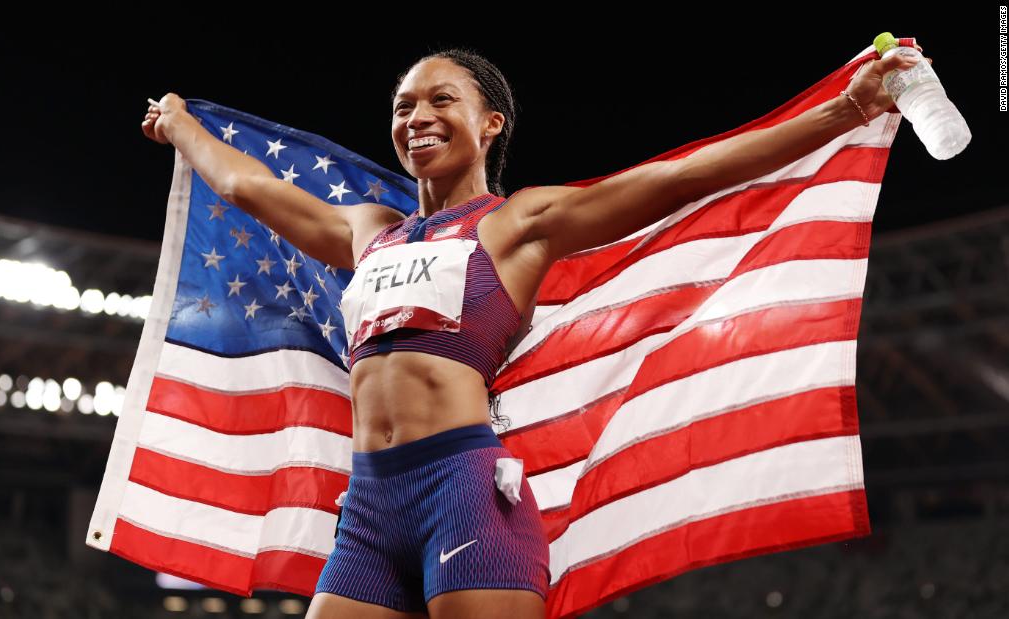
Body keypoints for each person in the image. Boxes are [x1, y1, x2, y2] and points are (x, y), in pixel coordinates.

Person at [142, 46, 927, 619]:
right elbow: (248, 183)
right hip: (370, 508)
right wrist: (180, 124)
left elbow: (683, 178)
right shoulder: (366, 233)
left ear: (491, 123)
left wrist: (847, 109)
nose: (416, 117)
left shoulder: (519, 225)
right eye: (403, 105)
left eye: (440, 100)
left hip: (464, 493)